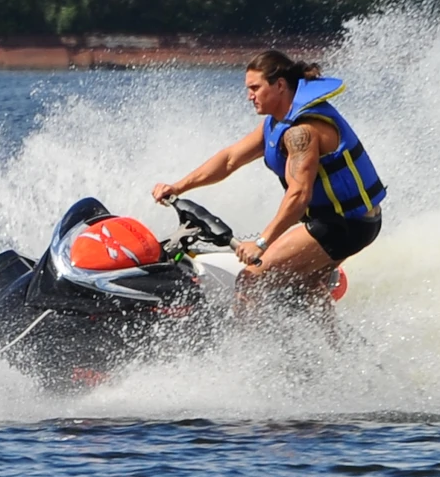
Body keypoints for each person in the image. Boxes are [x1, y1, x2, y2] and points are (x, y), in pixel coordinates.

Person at [151, 49, 386, 301]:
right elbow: (230, 159)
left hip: (344, 225)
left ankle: (247, 341)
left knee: (250, 279)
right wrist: (178, 187)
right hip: (353, 221)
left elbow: (299, 195)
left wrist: (261, 243)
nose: (249, 96)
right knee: (306, 287)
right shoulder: (277, 122)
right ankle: (329, 341)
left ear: (280, 85)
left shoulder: (301, 132)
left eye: (255, 88)